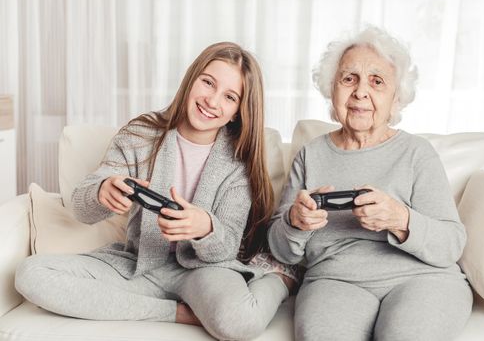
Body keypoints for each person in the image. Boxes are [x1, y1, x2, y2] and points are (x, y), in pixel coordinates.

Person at [15, 42, 296, 340]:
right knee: (30, 274)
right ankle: (178, 313)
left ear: (237, 112)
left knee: (239, 323)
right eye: (208, 82)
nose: (212, 101)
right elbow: (81, 209)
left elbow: (225, 248)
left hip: (205, 271)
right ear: (191, 79)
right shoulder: (141, 134)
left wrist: (206, 228)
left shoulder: (238, 162)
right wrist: (101, 191)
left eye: (229, 97)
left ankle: (281, 280)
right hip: (140, 265)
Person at [268, 27, 473, 341]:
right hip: (336, 280)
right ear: (331, 89)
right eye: (349, 78)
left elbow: (452, 243)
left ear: (396, 98)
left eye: (377, 81)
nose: (360, 91)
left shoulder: (416, 153)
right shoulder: (311, 155)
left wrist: (400, 219)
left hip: (423, 279)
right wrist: (295, 223)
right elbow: (281, 251)